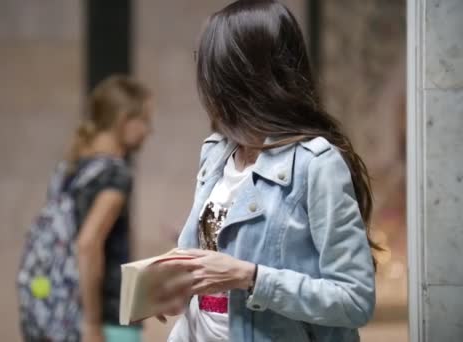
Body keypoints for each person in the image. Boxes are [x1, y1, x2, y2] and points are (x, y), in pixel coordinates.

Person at [152, 1, 380, 341]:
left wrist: (251, 277)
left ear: (241, 77)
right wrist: (177, 288)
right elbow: (206, 266)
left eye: (212, 67)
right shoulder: (216, 152)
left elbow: (354, 300)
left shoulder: (315, 163)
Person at [68, 75, 153, 342]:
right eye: (145, 120)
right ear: (124, 120)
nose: (149, 130)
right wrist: (92, 324)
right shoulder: (115, 174)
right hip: (106, 320)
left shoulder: (71, 170)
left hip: (64, 312)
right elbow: (87, 244)